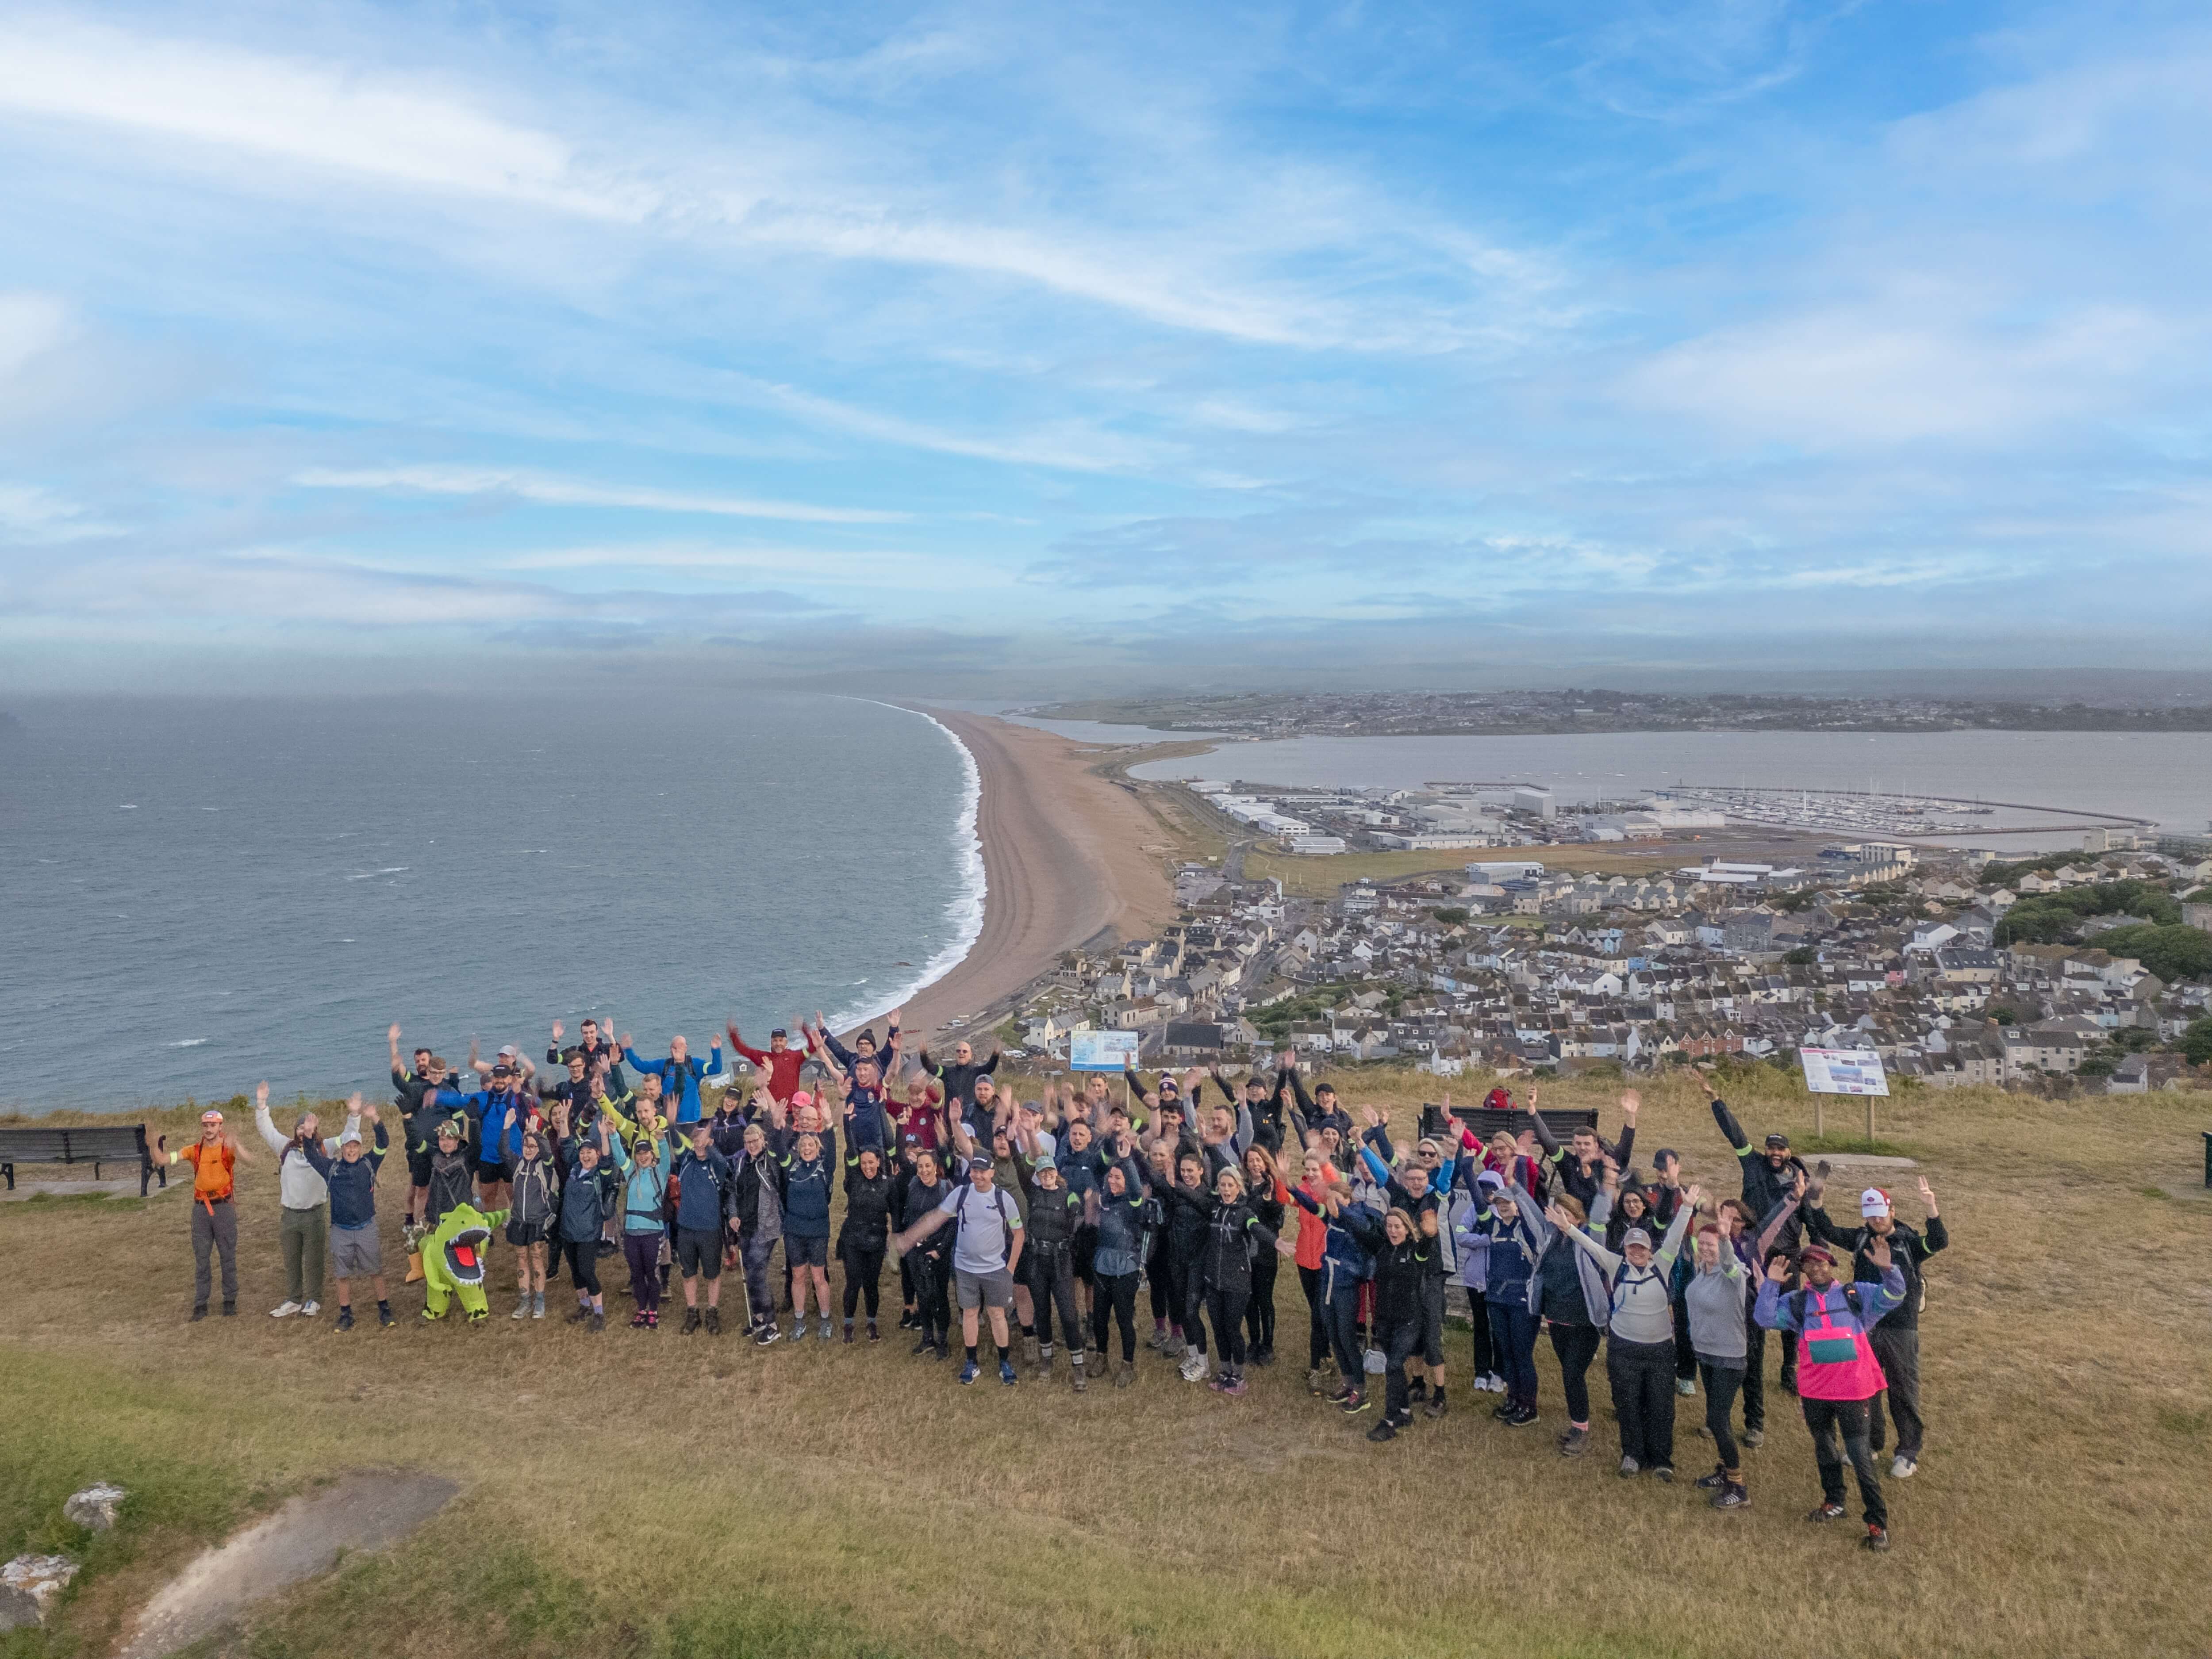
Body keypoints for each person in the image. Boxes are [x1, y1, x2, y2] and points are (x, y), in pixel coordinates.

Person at [1755, 1239, 1909, 1552]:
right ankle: (1834, 1501)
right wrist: (1771, 1283)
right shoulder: (1798, 1302)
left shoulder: (1857, 1295)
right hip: (1815, 1391)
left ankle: (1877, 1524)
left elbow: (1895, 1295)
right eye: (1809, 1263)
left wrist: (1887, 1269)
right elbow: (1764, 1318)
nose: (1816, 1267)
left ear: (1832, 1264)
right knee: (1824, 1447)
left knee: (1860, 1456)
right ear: (1804, 1269)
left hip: (1854, 1390)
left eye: (1822, 1262)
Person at [1805, 1179, 1948, 1479]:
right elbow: (1828, 1230)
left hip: (1901, 1327)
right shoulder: (1861, 1238)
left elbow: (1938, 1242)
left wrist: (1930, 1207)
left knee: (1902, 1388)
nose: (1877, 1220)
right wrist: (1816, 1201)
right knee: (1867, 1388)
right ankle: (1871, 1443)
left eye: (1881, 1213)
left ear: (1892, 1211)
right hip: (1865, 1327)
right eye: (1871, 1215)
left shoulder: (1908, 1241)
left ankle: (1908, 1452)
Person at [1554, 1191, 1697, 1479]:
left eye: (1641, 1247)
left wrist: (1688, 1208)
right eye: (1631, 1247)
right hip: (1624, 1350)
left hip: (1659, 1351)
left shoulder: (1663, 1264)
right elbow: (1592, 1246)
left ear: (1649, 1249)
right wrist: (1568, 1228)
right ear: (1625, 1248)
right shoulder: (1615, 1264)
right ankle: (1632, 1454)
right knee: (1627, 1403)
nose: (1636, 1251)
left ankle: (1661, 1459)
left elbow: (1675, 1235)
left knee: (1661, 1405)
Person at [894, 1152, 1025, 1387]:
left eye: (982, 1171)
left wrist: (1010, 1269)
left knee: (997, 1314)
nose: (977, 1175)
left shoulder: (1004, 1198)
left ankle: (1004, 1363)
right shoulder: (961, 1194)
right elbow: (935, 1219)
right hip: (965, 1269)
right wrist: (909, 1238)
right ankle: (971, 1362)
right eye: (974, 1170)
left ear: (992, 1173)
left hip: (995, 1269)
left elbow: (1019, 1234)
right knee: (970, 1313)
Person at [1286, 1163, 1384, 1416]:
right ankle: (1347, 1381)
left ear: (1348, 1199)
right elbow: (1310, 1205)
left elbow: (1362, 1228)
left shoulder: (1360, 1217)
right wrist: (1291, 1187)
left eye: (1337, 1201)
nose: (1332, 1206)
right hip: (1327, 1282)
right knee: (1333, 1334)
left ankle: (1360, 1390)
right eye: (1330, 1202)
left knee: (1347, 1336)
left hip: (1346, 1286)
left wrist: (1342, 1207)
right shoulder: (1330, 1216)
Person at [254, 1080, 356, 1319]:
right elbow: (266, 1129)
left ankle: (313, 1299)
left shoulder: (326, 1148)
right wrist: (261, 1104)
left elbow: (348, 1138)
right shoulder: (285, 1147)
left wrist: (354, 1114)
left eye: (308, 1127)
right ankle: (293, 1299)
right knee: (291, 1259)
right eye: (300, 1127)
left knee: (314, 1259)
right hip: (289, 1214)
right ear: (296, 1130)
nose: (303, 1132)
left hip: (314, 1214)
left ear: (315, 1129)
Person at [1454, 1170, 1543, 1426]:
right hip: (1496, 1299)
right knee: (1506, 1350)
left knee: (1522, 1353)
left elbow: (1528, 1205)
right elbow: (1476, 1195)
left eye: (1509, 1203)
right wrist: (1467, 1163)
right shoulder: (1491, 1225)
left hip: (1522, 1302)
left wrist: (1521, 1170)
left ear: (1517, 1205)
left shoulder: (1527, 1228)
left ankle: (1530, 1406)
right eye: (1500, 1203)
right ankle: (1514, 1399)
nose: (1504, 1207)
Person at [1684, 1215, 1756, 1509]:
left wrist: (1726, 1239)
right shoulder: (1701, 1271)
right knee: (1719, 1418)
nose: (1705, 1248)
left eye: (1710, 1244)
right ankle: (1723, 1469)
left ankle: (1738, 1487)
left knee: (1716, 1419)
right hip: (1706, 1354)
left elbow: (1728, 1263)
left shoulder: (1734, 1273)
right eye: (1702, 1243)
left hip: (1729, 1358)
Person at [306, 1100, 393, 1330]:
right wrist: (309, 1134)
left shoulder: (369, 1164)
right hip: (340, 1231)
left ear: (361, 1148)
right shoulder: (331, 1168)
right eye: (348, 1147)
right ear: (342, 1149)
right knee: (342, 1274)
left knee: (375, 1270)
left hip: (367, 1228)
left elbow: (384, 1142)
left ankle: (384, 1308)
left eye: (356, 1146)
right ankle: (346, 1314)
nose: (352, 1150)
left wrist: (375, 1119)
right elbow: (312, 1156)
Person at [1011, 1144, 1086, 1387]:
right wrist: (1013, 1141)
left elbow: (1080, 1211)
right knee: (1041, 1312)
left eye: (1050, 1172)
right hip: (1036, 1260)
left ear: (1056, 1173)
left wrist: (1080, 1210)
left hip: (1060, 1262)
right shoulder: (1032, 1193)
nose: (1046, 1176)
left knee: (1068, 1314)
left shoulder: (1068, 1195)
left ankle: (1078, 1367)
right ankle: (1046, 1360)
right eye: (1042, 1173)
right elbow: (1021, 1169)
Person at [162, 1108, 249, 1319]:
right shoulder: (194, 1151)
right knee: (202, 1259)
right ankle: (201, 1304)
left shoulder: (227, 1149)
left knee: (228, 1256)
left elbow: (249, 1159)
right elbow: (168, 1158)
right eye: (205, 1126)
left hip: (224, 1209)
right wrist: (156, 1151)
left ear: (220, 1127)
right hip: (201, 1210)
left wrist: (237, 1145)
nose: (209, 1129)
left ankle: (230, 1300)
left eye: (213, 1125)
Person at [1087, 1143, 1150, 1388]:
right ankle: (1101, 1357)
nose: (1112, 1181)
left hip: (1126, 1267)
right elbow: (1096, 1170)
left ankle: (1128, 1364)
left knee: (1124, 1318)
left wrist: (1127, 1161)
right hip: (1102, 1264)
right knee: (1100, 1318)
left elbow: (1136, 1187)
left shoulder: (1134, 1202)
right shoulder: (1106, 1200)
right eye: (1111, 1177)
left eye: (1117, 1177)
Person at [662, 1120, 733, 1335]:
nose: (700, 1145)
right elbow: (675, 1141)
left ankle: (712, 1311)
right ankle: (692, 1312)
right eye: (697, 1141)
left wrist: (707, 1139)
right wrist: (673, 1124)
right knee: (688, 1273)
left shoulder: (717, 1166)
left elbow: (721, 1160)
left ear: (711, 1142)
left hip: (710, 1230)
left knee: (712, 1274)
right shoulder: (686, 1161)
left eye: (705, 1141)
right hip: (685, 1229)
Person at [555, 1119, 622, 1329]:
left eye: (590, 1152)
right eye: (583, 1152)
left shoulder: (599, 1175)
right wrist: (564, 1121)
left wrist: (603, 1136)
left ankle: (599, 1313)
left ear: (597, 1154)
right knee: (575, 1273)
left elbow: (608, 1161)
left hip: (588, 1234)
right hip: (568, 1232)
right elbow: (566, 1146)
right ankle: (584, 1306)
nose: (585, 1156)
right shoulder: (575, 1170)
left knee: (587, 1272)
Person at [729, 1116, 786, 1345]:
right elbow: (733, 1191)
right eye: (748, 1142)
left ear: (763, 1140)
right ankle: (760, 1318)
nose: (752, 1145)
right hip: (746, 1226)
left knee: (758, 1273)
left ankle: (772, 1324)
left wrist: (772, 1115)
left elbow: (777, 1144)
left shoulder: (769, 1162)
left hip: (767, 1227)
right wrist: (733, 1214)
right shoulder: (742, 1163)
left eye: (756, 1141)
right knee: (749, 1271)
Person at [896, 1147, 955, 1360]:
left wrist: (940, 1250)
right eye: (920, 1167)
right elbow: (909, 1215)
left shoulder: (945, 1189)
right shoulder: (913, 1185)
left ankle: (943, 1340)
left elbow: (953, 1225)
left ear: (936, 1167)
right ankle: (928, 1337)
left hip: (937, 1252)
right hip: (915, 1252)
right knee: (922, 1294)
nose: (924, 1171)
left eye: (928, 1166)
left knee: (939, 1295)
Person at [837, 1145, 894, 1343]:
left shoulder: (889, 1184)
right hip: (853, 1238)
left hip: (876, 1239)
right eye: (864, 1163)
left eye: (871, 1162)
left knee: (871, 1284)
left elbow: (895, 1213)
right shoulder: (853, 1180)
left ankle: (871, 1322)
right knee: (853, 1282)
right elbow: (851, 1153)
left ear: (879, 1162)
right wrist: (846, 1120)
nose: (867, 1167)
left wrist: (895, 1237)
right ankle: (848, 1323)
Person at [614, 1130, 671, 1329]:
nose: (643, 1156)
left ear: (652, 1154)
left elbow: (667, 1159)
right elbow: (620, 1156)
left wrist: (662, 1141)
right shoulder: (630, 1172)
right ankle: (641, 1309)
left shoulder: (659, 1173)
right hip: (631, 1233)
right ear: (635, 1157)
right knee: (637, 1273)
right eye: (639, 1154)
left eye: (647, 1152)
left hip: (653, 1233)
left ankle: (653, 1310)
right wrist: (613, 1134)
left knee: (651, 1272)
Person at [506, 1127, 559, 1319]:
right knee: (521, 1259)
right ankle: (524, 1300)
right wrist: (506, 1127)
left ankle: (540, 1301)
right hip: (519, 1221)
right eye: (526, 1146)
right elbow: (503, 1150)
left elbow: (547, 1151)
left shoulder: (545, 1165)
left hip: (538, 1222)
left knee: (537, 1259)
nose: (529, 1149)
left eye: (533, 1146)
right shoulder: (517, 1164)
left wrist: (537, 1133)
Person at [1241, 1145, 1286, 1366]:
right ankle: (1254, 1341)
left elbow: (1279, 1220)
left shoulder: (1273, 1186)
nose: (1255, 1164)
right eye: (1251, 1161)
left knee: (1265, 1299)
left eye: (1258, 1160)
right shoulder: (1243, 1187)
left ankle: (1268, 1345)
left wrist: (1270, 1201)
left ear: (1265, 1162)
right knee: (1249, 1299)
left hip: (1266, 1251)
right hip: (1245, 1252)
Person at [620, 1032, 723, 1123]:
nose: (677, 1050)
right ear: (670, 1049)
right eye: (674, 1047)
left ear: (686, 1048)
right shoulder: (664, 1065)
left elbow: (716, 1069)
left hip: (692, 1120)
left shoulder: (695, 1065)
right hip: (669, 1120)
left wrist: (716, 1050)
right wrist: (628, 1050)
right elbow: (641, 1065)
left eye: (681, 1046)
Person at [917, 1035, 999, 1129]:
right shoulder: (946, 1072)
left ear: (971, 1056)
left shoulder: (977, 1072)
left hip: (971, 1122)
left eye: (965, 1052)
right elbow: (931, 1067)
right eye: (958, 1051)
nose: (961, 1053)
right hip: (950, 1123)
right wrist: (923, 1054)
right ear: (955, 1055)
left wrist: (996, 1054)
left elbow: (990, 1067)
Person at [727, 1020, 807, 1104]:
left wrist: (804, 1028)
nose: (778, 1044)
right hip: (771, 1110)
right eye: (775, 1041)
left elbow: (813, 1048)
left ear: (786, 1042)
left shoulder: (796, 1056)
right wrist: (733, 1034)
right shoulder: (765, 1058)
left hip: (793, 1110)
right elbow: (744, 1050)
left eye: (781, 1040)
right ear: (771, 1043)